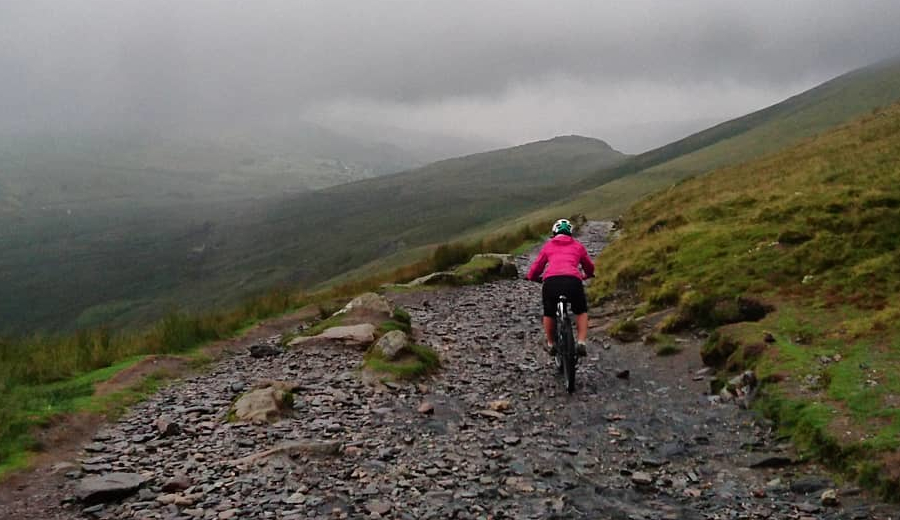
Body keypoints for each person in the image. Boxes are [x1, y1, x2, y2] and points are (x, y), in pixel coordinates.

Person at [526, 218, 595, 356]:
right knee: (580, 311)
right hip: (573, 281)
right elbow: (589, 267)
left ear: (554, 232)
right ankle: (581, 342)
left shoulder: (548, 246)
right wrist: (587, 275)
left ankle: (551, 344)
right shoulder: (578, 246)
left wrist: (533, 278)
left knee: (549, 313)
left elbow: (535, 269)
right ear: (570, 233)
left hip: (551, 282)